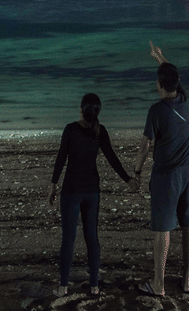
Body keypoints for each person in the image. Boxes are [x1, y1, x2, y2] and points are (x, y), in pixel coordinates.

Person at [48, 92, 132, 296]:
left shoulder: (70, 129)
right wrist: (128, 179)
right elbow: (111, 157)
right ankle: (94, 286)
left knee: (68, 239)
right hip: (92, 191)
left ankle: (63, 287)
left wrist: (53, 184)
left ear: (80, 109)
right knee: (92, 238)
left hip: (72, 190)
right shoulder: (100, 131)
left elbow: (61, 158)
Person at [130, 41, 189, 297]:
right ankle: (187, 280)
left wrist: (136, 173)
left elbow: (145, 146)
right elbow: (173, 78)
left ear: (159, 85)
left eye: (157, 82)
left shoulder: (156, 111)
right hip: (188, 173)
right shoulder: (184, 101)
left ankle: (159, 284)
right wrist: (159, 58)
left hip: (166, 176)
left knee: (162, 229)